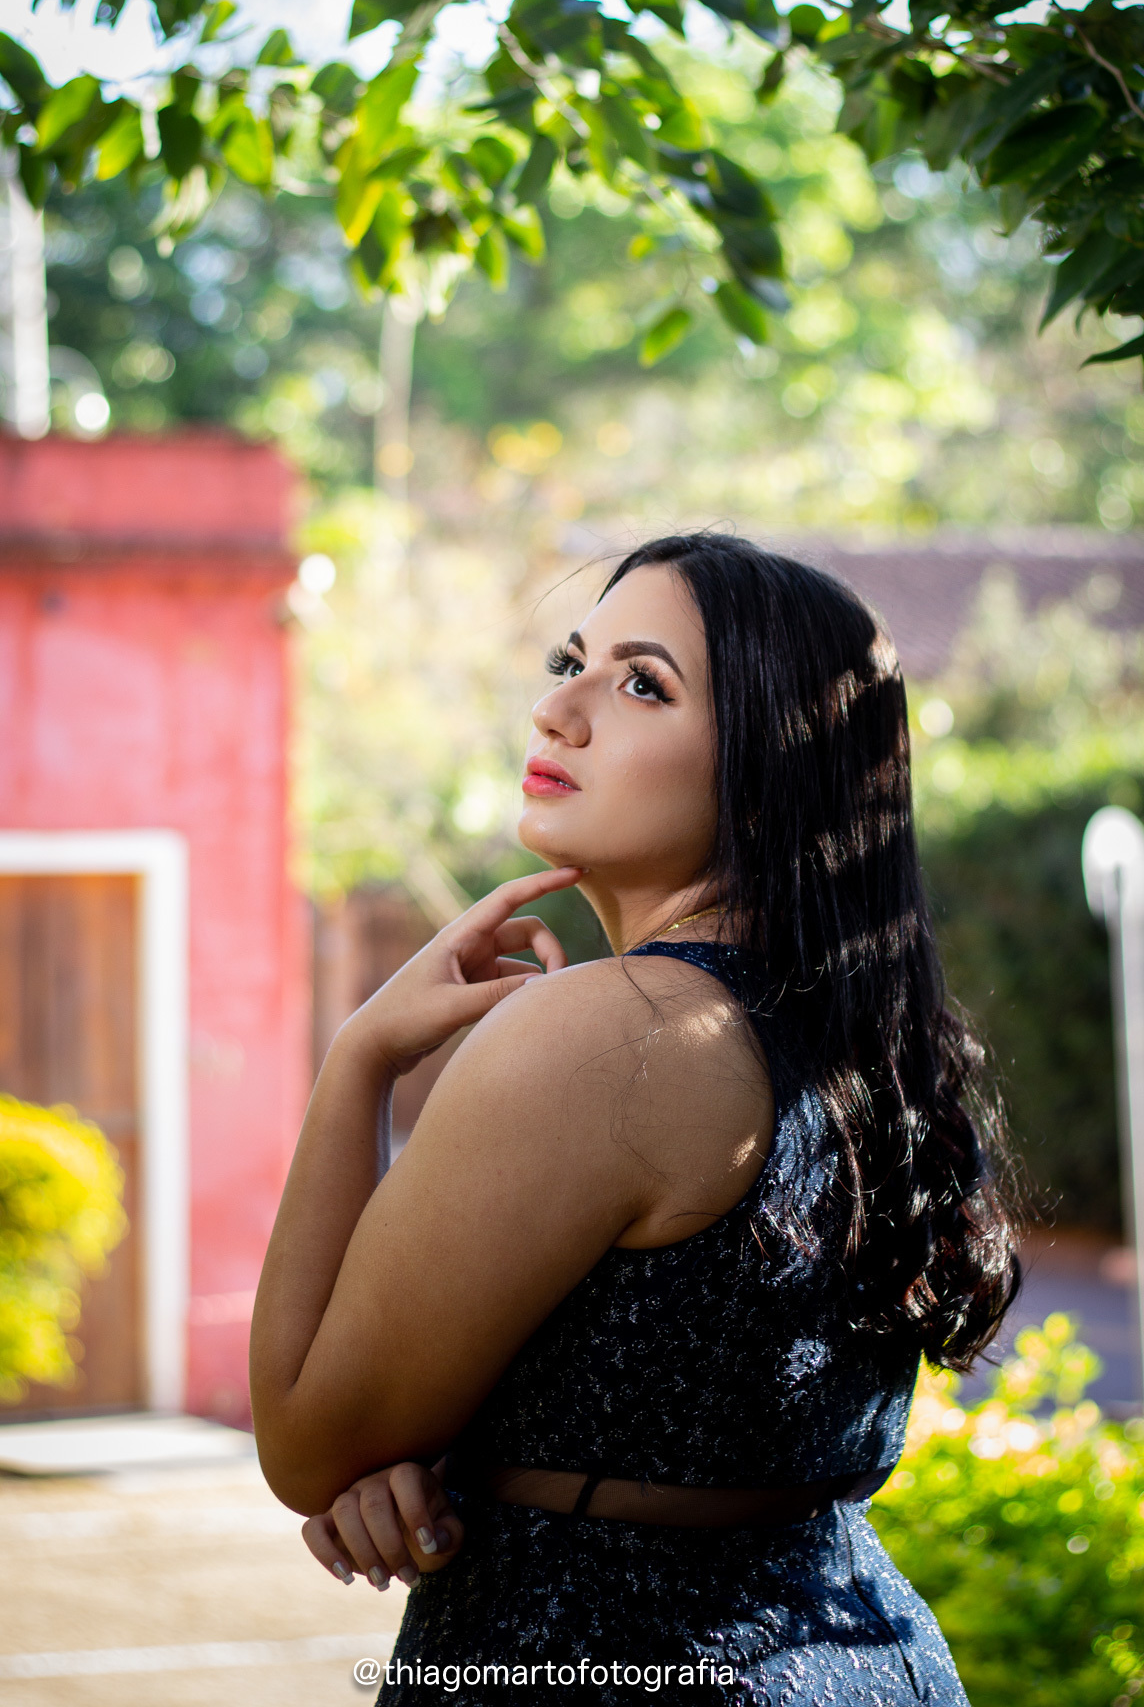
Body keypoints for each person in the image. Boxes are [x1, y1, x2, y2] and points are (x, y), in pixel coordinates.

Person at [249, 531, 1020, 1705]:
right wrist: (456, 1456)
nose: (557, 710)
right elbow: (673, 1404)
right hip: (860, 1661)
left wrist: (361, 1058)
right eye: (572, 661)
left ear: (766, 770)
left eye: (642, 684)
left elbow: (309, 1444)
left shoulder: (619, 1031)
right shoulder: (854, 1045)